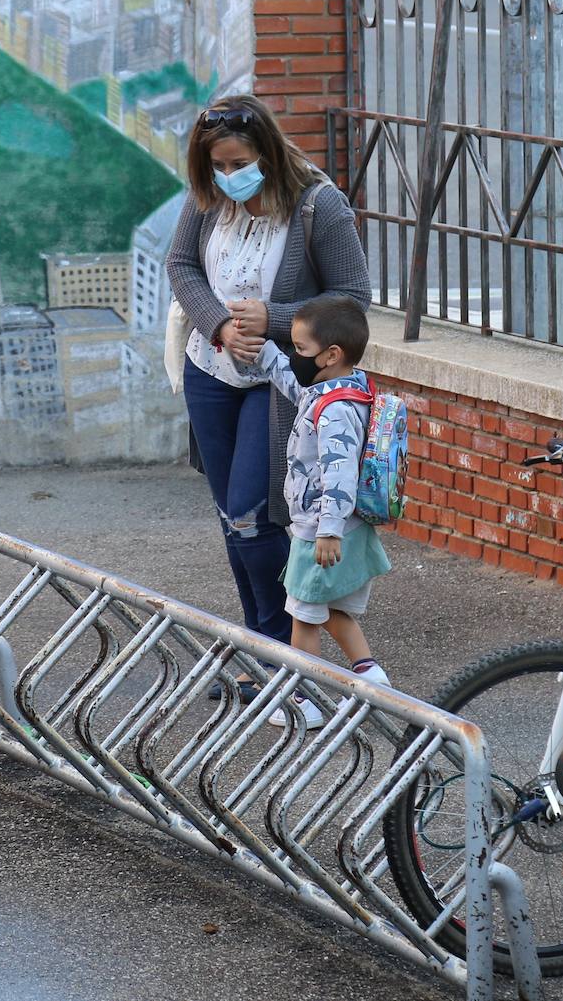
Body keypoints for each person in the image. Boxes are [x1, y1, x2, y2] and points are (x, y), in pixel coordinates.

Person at [166, 95, 372, 701]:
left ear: (267, 152)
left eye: (239, 163)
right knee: (234, 519)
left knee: (256, 517)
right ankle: (265, 651)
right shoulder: (209, 197)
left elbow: (353, 297)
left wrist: (275, 318)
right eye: (217, 167)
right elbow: (181, 265)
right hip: (210, 369)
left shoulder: (317, 206)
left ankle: (287, 660)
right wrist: (220, 326)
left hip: (279, 383)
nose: (229, 177)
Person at [254, 296, 391, 727]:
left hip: (322, 531)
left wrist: (327, 530)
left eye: (300, 349)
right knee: (332, 609)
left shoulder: (334, 412)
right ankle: (371, 676)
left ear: (331, 356)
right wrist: (262, 351)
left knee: (303, 615)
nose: (295, 357)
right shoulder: (344, 391)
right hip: (338, 528)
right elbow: (297, 389)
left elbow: (340, 475)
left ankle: (304, 699)